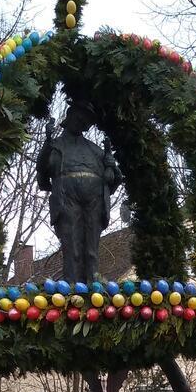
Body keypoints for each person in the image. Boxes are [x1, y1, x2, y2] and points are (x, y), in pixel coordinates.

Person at [36, 100, 120, 283]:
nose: (82, 123)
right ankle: (73, 292)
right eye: (80, 118)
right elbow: (43, 171)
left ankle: (94, 289)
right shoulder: (56, 145)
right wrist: (47, 144)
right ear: (70, 116)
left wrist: (111, 165)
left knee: (92, 249)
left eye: (86, 121)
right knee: (72, 247)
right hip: (68, 198)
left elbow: (113, 177)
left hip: (94, 199)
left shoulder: (95, 149)